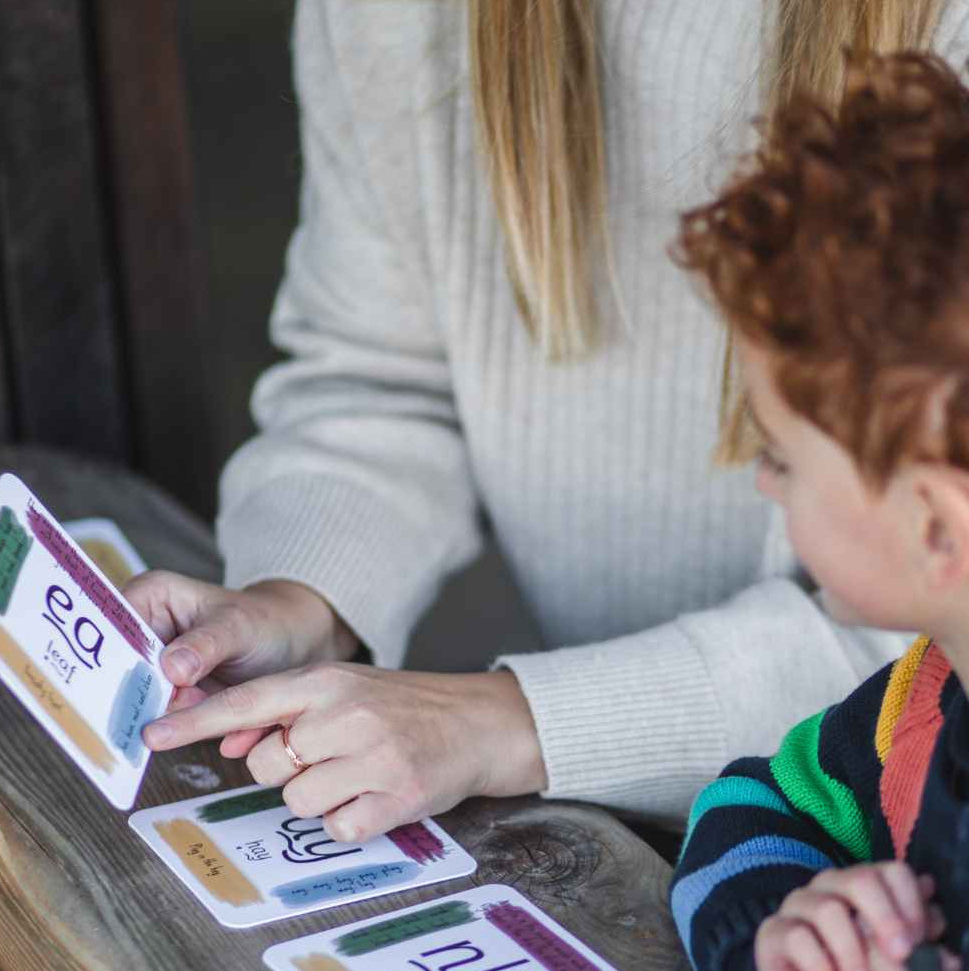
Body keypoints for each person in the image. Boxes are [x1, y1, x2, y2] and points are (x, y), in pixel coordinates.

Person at [129, 0, 969, 845]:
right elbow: (377, 376)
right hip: (642, 827)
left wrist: (507, 724)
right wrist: (296, 595)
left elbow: (934, 637)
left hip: (872, 828)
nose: (763, 471)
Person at [670, 52, 969, 971]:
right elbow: (751, 808)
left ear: (935, 525)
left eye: (782, 457)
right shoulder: (912, 708)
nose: (765, 483)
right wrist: (784, 926)